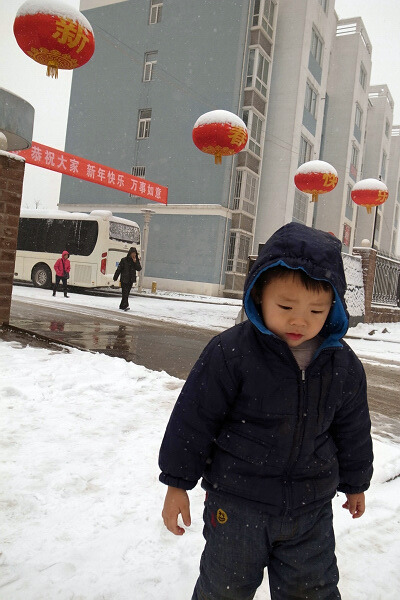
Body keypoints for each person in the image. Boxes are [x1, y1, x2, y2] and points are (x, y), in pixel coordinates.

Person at [159, 222, 373, 600]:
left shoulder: (342, 364)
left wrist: (355, 483)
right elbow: (194, 420)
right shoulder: (231, 352)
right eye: (286, 306)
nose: (300, 320)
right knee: (223, 590)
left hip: (310, 512)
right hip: (237, 507)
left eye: (317, 310)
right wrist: (178, 484)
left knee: (313, 592)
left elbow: (352, 428)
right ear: (259, 296)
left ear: (334, 308)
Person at [113, 247, 141, 311]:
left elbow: (139, 268)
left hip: (131, 280)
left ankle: (122, 305)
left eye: (134, 253)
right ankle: (125, 305)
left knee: (126, 293)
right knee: (125, 293)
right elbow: (119, 269)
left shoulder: (136, 261)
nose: (133, 255)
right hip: (124, 279)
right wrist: (115, 277)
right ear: (130, 253)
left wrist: (135, 262)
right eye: (132, 253)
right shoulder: (124, 260)